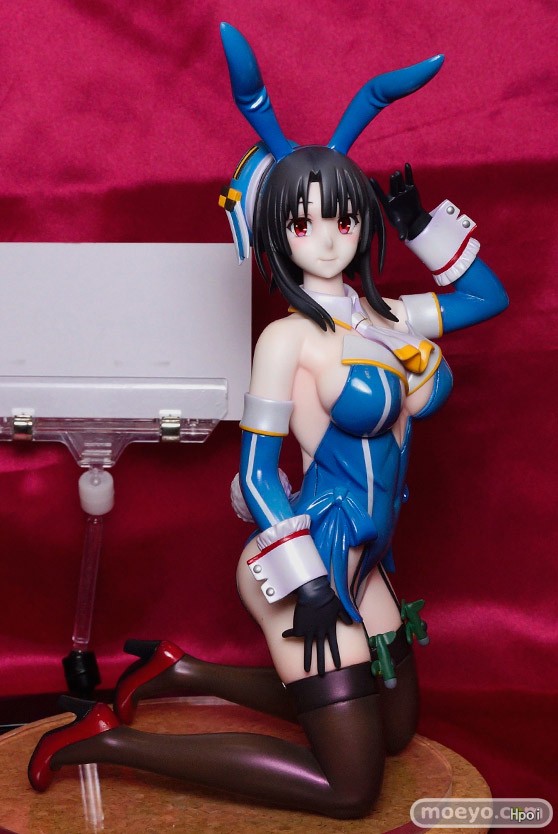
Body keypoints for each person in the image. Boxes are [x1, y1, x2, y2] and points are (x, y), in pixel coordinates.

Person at [27, 25, 508, 819]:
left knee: (394, 733)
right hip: (308, 556)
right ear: (277, 230)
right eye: (304, 223)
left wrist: (419, 225)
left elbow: (489, 299)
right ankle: (102, 741)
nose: (329, 238)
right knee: (352, 788)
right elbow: (255, 475)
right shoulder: (286, 340)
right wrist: (308, 585)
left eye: (343, 218)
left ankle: (182, 672)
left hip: (369, 557)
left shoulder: (387, 318)